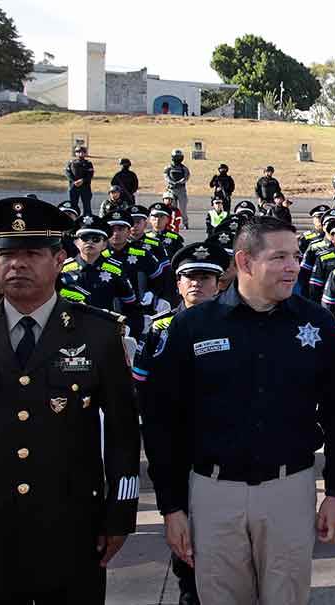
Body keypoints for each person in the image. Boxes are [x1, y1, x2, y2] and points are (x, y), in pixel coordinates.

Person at [0, 197, 140, 602]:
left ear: (59, 259)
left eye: (32, 253)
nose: (17, 264)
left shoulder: (98, 334)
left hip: (73, 529)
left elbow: (124, 433)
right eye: (6, 253)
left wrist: (121, 514)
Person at [140, 216, 335, 605]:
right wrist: (171, 506)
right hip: (213, 492)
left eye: (295, 256)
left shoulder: (318, 324)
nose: (293, 266)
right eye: (279, 257)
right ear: (244, 262)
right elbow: (162, 420)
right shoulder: (193, 327)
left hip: (289, 490)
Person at [131, 240, 230, 605]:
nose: (197, 284)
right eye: (189, 277)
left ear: (220, 283)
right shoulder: (160, 328)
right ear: (177, 283)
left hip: (225, 445)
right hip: (179, 444)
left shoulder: (235, 323)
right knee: (185, 535)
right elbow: (142, 383)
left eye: (206, 277)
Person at [59, 214, 146, 332]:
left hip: (104, 330)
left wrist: (129, 330)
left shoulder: (115, 270)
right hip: (69, 330)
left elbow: (130, 306)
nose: (90, 242)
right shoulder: (62, 269)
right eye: (85, 238)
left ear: (104, 244)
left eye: (96, 239)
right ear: (76, 242)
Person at [164, 149, 191, 229]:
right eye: (176, 157)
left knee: (183, 209)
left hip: (181, 190)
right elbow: (166, 177)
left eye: (179, 157)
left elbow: (186, 177)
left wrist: (179, 182)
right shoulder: (168, 167)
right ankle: (171, 224)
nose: (177, 159)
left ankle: (185, 223)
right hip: (171, 190)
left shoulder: (184, 168)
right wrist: (172, 182)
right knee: (172, 209)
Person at [66, 145, 95, 214]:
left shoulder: (88, 163)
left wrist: (82, 180)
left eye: (82, 152)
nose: (80, 153)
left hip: (85, 187)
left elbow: (90, 174)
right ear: (75, 153)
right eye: (78, 152)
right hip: (74, 187)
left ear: (85, 153)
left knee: (87, 206)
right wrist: (74, 181)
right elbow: (68, 173)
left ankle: (87, 221)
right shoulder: (71, 162)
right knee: (73, 206)